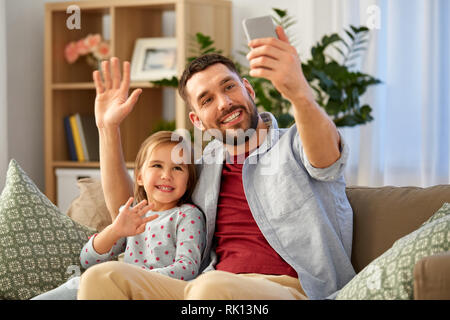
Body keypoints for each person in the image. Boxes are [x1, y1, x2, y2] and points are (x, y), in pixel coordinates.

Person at [77, 25, 356, 300]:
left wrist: (298, 91)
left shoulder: (298, 143)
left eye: (229, 87)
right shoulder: (200, 167)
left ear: (248, 89)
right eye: (207, 100)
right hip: (202, 290)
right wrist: (107, 129)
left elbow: (327, 161)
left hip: (291, 291)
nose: (224, 103)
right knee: (102, 278)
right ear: (197, 121)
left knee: (211, 289)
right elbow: (132, 213)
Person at [32, 131, 205, 299]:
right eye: (157, 165)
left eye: (177, 168)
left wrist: (132, 277)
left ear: (189, 181)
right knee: (78, 283)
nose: (166, 175)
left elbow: (187, 267)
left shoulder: (188, 215)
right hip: (120, 287)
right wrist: (115, 230)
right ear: (139, 177)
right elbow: (87, 260)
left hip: (157, 290)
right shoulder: (130, 214)